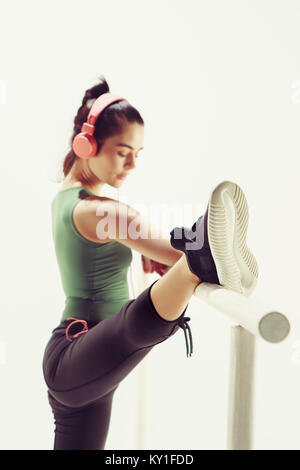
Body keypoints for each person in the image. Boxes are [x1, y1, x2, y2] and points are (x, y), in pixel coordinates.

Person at [42, 75, 258, 450]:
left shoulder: (70, 200)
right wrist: (186, 255)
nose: (131, 164)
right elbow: (172, 250)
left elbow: (109, 246)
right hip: (78, 351)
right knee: (140, 319)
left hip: (83, 365)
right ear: (86, 143)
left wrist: (139, 250)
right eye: (123, 151)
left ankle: (202, 258)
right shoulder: (97, 210)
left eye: (137, 155)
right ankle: (200, 263)